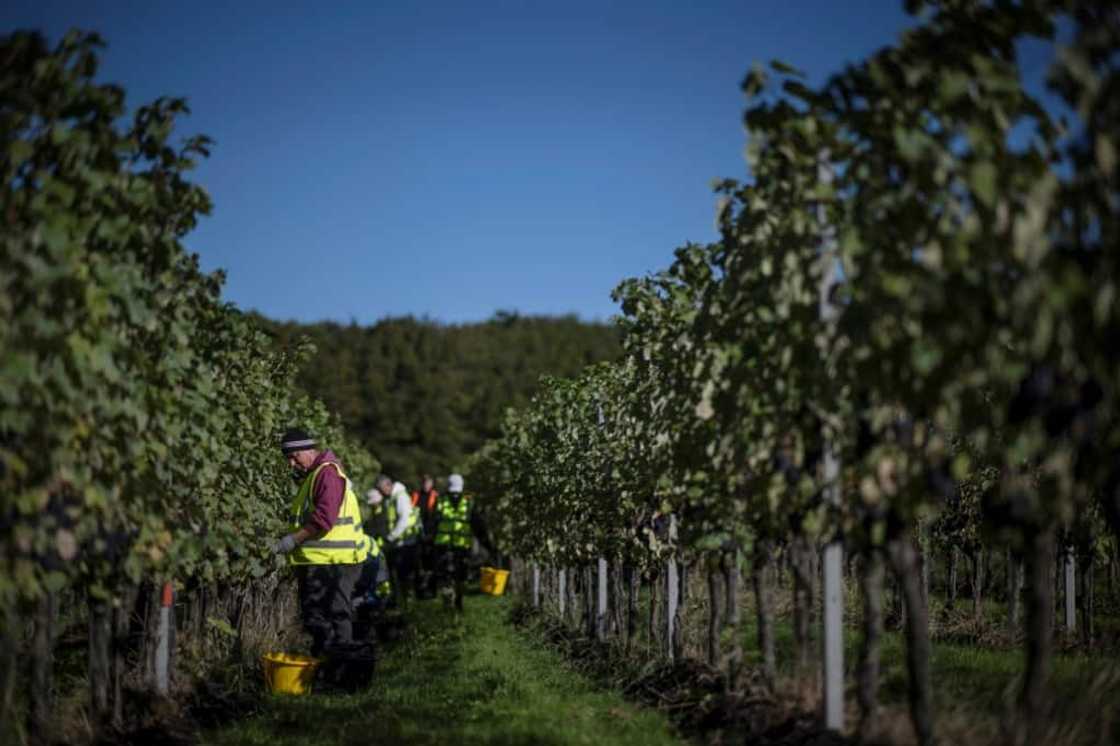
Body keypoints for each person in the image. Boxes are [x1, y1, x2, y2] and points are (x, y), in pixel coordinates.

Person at [272, 428, 375, 656]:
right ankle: (332, 667)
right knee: (319, 615)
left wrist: (291, 541)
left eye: (294, 456)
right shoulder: (317, 474)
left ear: (308, 450)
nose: (291, 464)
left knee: (332, 614)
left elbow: (324, 519)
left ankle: (342, 668)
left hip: (334, 561)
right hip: (327, 561)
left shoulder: (326, 474)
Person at [432, 473, 492, 611]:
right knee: (461, 575)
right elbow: (478, 525)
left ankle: (448, 603)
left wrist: (428, 542)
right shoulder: (469, 502)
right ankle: (458, 601)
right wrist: (486, 543)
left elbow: (432, 523)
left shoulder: (440, 500)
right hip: (462, 545)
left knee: (446, 575)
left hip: (443, 544)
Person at [371, 474, 422, 604]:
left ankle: (408, 604)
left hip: (406, 543)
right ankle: (399, 603)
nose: (380, 492)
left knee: (404, 576)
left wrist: (391, 537)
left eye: (381, 488)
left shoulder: (400, 497)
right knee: (397, 575)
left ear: (388, 485)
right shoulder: (390, 498)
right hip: (397, 543)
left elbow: (404, 520)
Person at [412, 474, 440, 598]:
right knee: (418, 565)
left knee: (432, 564)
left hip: (432, 534)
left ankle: (432, 591)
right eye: (424, 482)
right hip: (417, 534)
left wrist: (432, 534)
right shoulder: (415, 495)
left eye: (428, 483)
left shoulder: (436, 497)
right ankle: (420, 592)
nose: (425, 485)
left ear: (432, 484)